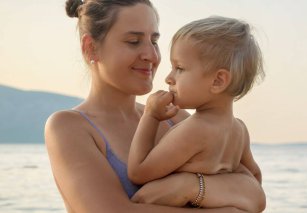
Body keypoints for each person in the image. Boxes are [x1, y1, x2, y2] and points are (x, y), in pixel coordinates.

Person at [45, 0, 265, 212]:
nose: (151, 55)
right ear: (91, 47)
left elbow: (255, 196)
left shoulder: (176, 119)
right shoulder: (69, 127)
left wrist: (189, 186)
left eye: (154, 41)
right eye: (133, 41)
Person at [128, 16, 265, 208]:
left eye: (180, 68)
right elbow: (254, 178)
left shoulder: (194, 130)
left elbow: (138, 172)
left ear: (218, 81)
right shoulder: (239, 130)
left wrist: (150, 116)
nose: (169, 78)